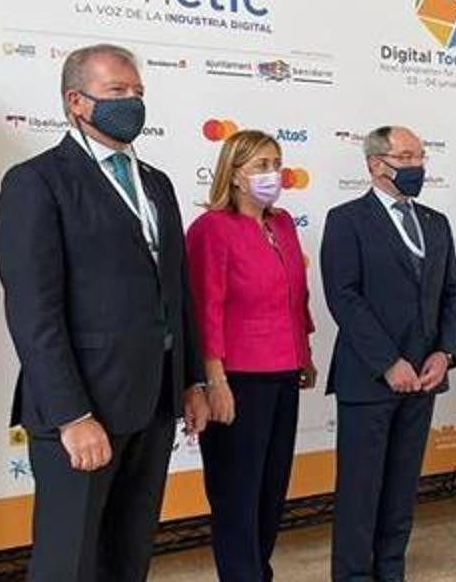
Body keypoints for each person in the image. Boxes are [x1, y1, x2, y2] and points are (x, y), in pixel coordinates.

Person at [0, 44, 209, 581]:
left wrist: (190, 380)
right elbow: (33, 311)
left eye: (138, 92)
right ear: (76, 101)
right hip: (84, 410)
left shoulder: (155, 182)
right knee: (69, 563)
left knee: (127, 557)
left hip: (153, 404)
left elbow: (176, 289)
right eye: (117, 91)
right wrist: (72, 415)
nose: (132, 101)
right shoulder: (36, 182)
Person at [321, 125, 456, 582]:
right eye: (405, 158)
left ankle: (391, 570)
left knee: (402, 488)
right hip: (369, 379)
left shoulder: (436, 223)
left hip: (424, 378)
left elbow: (452, 293)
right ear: (375, 164)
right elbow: (345, 297)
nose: (415, 166)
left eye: (420, 157)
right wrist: (388, 362)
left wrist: (445, 353)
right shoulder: (346, 220)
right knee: (360, 491)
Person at [186, 130, 318, 581]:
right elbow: (204, 308)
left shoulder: (282, 223)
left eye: (276, 164)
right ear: (235, 174)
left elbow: (296, 296)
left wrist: (305, 353)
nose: (272, 173)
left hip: (283, 371)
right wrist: (214, 380)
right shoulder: (211, 229)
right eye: (261, 165)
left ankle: (259, 572)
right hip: (237, 378)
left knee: (270, 491)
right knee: (237, 496)